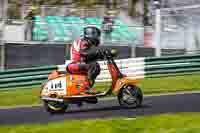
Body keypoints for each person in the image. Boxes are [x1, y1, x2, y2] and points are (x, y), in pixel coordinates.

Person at [67, 26, 103, 93]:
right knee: (94, 66)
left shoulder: (86, 42)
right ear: (91, 34)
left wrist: (100, 55)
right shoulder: (84, 42)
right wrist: (97, 53)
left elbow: (87, 56)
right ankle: (87, 88)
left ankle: (85, 89)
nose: (98, 38)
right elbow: (84, 53)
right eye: (97, 35)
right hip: (75, 64)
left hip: (78, 64)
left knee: (95, 66)